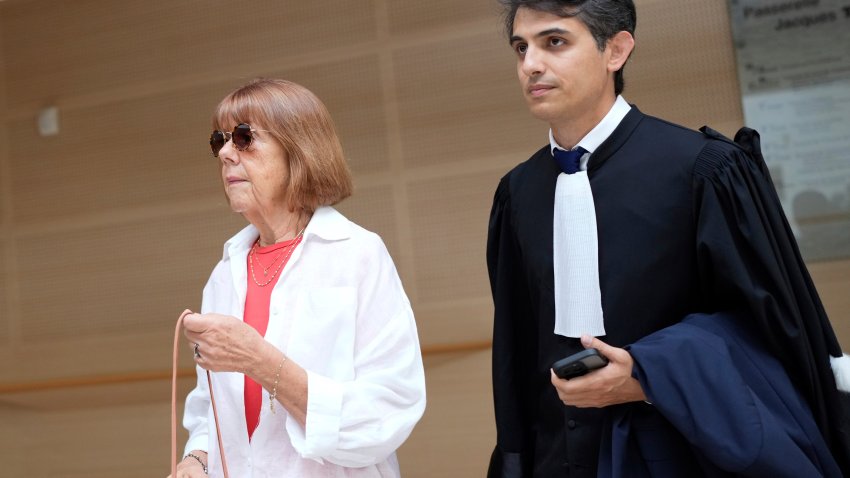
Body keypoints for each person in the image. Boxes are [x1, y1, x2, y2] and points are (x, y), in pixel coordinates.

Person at [486, 1, 850, 476]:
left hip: (683, 452)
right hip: (558, 458)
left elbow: (775, 330)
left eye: (554, 42)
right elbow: (515, 354)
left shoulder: (705, 170)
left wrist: (650, 373)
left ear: (616, 49)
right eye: (520, 48)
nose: (531, 64)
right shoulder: (518, 193)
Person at [169, 78, 426, 477]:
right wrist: (197, 458)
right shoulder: (224, 274)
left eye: (243, 138)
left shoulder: (357, 254)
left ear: (299, 150)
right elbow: (209, 406)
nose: (224, 153)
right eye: (219, 140)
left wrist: (261, 362)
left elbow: (389, 410)